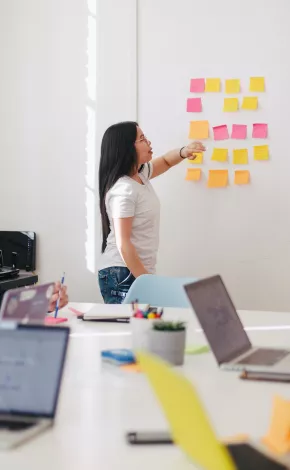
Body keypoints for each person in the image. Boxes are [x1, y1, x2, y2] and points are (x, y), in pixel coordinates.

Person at [98, 121, 205, 304]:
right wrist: (148, 281)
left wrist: (184, 152)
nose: (149, 142)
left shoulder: (140, 176)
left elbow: (165, 161)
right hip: (122, 272)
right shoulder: (123, 190)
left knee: (144, 328)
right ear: (126, 148)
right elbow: (124, 244)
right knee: (131, 329)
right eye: (142, 139)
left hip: (135, 271)